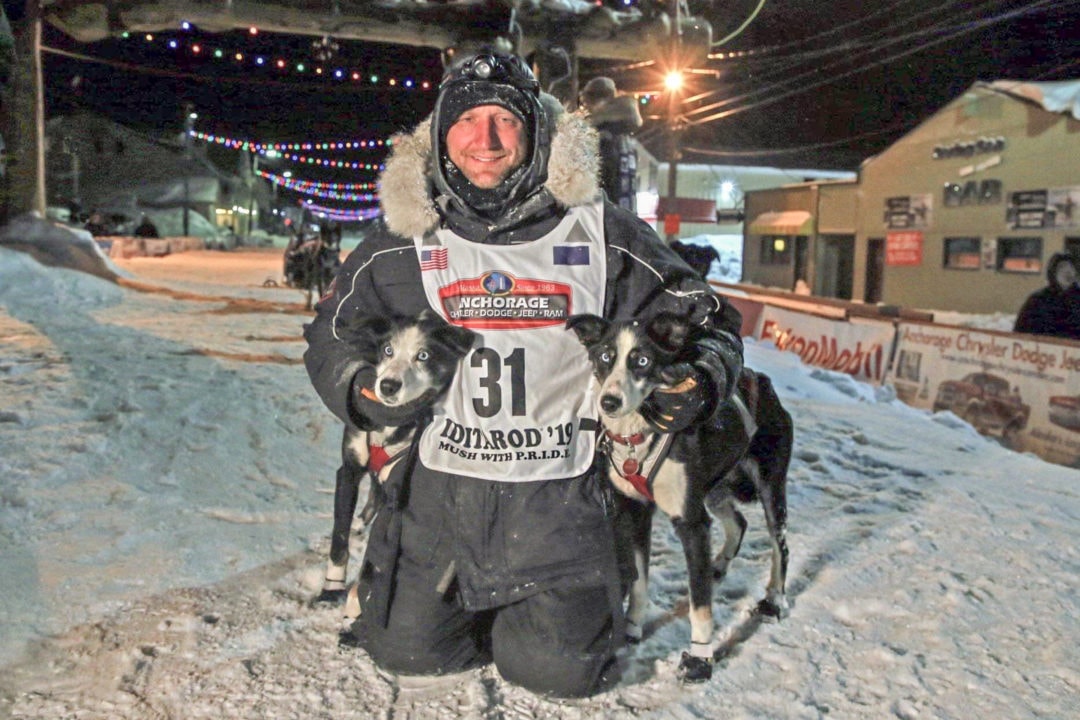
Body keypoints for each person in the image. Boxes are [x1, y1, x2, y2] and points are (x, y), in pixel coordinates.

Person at [303, 52, 744, 698]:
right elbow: (333, 330)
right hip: (439, 503)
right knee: (405, 654)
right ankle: (455, 596)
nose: (484, 140)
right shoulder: (405, 238)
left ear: (536, 132)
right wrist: (354, 387)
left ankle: (553, 599)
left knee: (563, 675)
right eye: (467, 121)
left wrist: (703, 379)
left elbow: (706, 317)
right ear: (441, 137)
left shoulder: (599, 232)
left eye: (503, 120)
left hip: (559, 506)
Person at [579, 76, 642, 212]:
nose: (586, 108)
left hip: (604, 219)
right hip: (626, 216)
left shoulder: (602, 137)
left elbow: (597, 183)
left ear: (598, 101)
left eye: (586, 102)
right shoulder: (627, 138)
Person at [1013, 252, 1080, 340]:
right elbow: (1020, 333)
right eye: (1062, 267)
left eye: (1071, 267)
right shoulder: (1037, 300)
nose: (1067, 272)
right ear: (1053, 272)